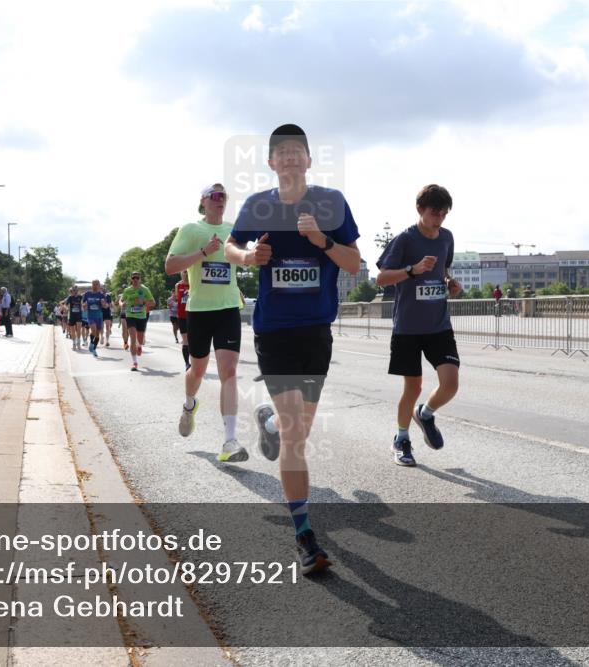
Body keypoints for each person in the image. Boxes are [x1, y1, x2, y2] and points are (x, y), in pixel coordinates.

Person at [225, 124, 360, 574]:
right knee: (297, 436)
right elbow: (231, 246)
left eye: (295, 151)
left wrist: (322, 240)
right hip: (275, 330)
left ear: (307, 159)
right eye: (279, 152)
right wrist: (248, 259)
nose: (287, 158)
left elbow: (355, 263)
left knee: (296, 431)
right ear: (270, 162)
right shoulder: (258, 205)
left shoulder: (330, 203)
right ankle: (303, 536)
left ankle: (268, 425)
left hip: (316, 332)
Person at [375, 184, 462, 467]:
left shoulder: (446, 238)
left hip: (439, 325)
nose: (439, 219)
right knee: (412, 388)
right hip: (408, 328)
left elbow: (444, 270)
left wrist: (450, 283)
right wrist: (412, 270)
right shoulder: (404, 240)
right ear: (420, 210)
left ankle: (425, 414)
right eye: (434, 213)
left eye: (444, 214)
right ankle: (401, 439)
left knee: (450, 384)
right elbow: (382, 278)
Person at [166, 183, 247, 463]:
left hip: (227, 309)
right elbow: (170, 266)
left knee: (230, 370)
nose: (220, 200)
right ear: (203, 201)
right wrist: (203, 252)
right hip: (199, 310)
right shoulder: (190, 230)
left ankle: (230, 441)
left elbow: (246, 259)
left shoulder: (233, 231)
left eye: (224, 196)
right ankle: (189, 405)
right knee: (197, 370)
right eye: (214, 196)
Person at [121, 272, 155, 371]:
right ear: (131, 279)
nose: (135, 279)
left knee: (139, 340)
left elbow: (153, 302)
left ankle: (139, 346)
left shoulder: (145, 289)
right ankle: (134, 363)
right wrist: (121, 304)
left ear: (140, 279)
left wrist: (143, 302)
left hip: (141, 316)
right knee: (132, 338)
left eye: (137, 278)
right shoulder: (127, 290)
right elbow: (121, 300)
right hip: (130, 315)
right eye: (133, 278)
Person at [83, 279, 108, 356]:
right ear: (92, 285)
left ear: (99, 285)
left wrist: (104, 304)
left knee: (97, 334)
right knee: (93, 330)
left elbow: (106, 306)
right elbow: (83, 305)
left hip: (99, 316)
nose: (95, 286)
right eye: (94, 284)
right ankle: (91, 343)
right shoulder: (87, 294)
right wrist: (84, 306)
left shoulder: (101, 295)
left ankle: (94, 349)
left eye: (97, 284)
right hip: (91, 316)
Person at [175, 274, 191, 369]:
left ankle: (195, 362)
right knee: (185, 340)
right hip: (182, 316)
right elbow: (177, 299)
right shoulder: (178, 285)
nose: (186, 274)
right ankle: (187, 363)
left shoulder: (194, 283)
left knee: (193, 339)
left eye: (187, 271)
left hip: (193, 315)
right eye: (184, 272)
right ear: (181, 273)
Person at [65, 285, 85, 349]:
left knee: (79, 329)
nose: (75, 291)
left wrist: (83, 306)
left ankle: (78, 343)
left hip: (79, 315)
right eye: (73, 290)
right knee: (72, 330)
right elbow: (65, 305)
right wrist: (67, 308)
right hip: (72, 315)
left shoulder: (80, 297)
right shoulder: (70, 297)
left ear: (77, 290)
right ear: (72, 291)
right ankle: (74, 343)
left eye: (76, 290)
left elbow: (83, 303)